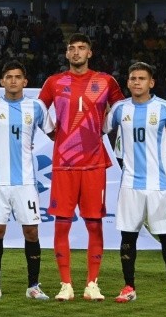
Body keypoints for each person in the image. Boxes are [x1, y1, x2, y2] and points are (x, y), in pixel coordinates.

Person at [38, 33, 124, 301]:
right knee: (61, 225)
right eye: (72, 49)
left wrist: (104, 128)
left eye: (81, 48)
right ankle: (65, 284)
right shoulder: (54, 82)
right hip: (64, 164)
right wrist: (54, 134)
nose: (76, 52)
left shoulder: (105, 81)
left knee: (94, 225)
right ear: (66, 54)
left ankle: (92, 284)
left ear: (90, 52)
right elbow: (39, 112)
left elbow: (121, 111)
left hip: (94, 163)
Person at [104, 62, 166, 305]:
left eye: (142, 78)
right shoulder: (120, 109)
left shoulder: (164, 108)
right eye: (132, 78)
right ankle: (128, 287)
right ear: (128, 82)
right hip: (130, 184)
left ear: (151, 82)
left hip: (159, 185)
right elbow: (100, 128)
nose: (136, 82)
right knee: (128, 237)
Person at [0, 60, 53, 301]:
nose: (14, 80)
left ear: (25, 82)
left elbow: (54, 134)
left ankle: (33, 286)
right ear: (2, 82)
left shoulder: (36, 107)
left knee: (31, 232)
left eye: (18, 77)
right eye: (9, 76)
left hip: (26, 182)